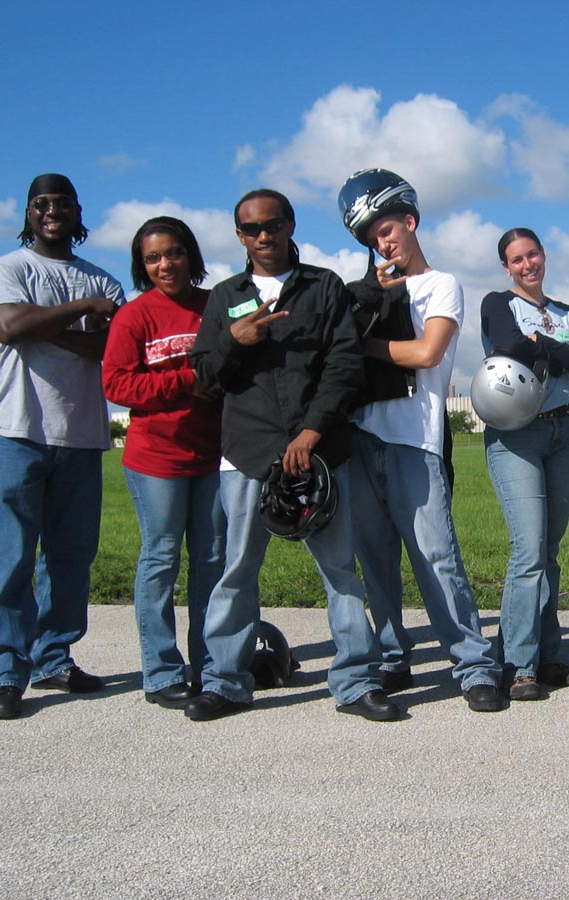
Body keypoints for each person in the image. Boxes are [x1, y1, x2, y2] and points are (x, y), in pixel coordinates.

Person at [189, 189, 394, 723]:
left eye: (273, 224)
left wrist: (310, 432)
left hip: (319, 453)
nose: (264, 235)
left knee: (340, 571)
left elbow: (344, 365)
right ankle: (226, 681)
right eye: (252, 228)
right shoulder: (224, 297)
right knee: (237, 569)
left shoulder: (323, 287)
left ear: (290, 225)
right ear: (239, 236)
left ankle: (356, 681)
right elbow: (205, 376)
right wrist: (235, 339)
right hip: (247, 453)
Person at [338, 168, 504, 712]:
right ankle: (392, 657)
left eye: (387, 230)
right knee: (374, 557)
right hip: (361, 435)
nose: (381, 244)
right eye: (372, 239)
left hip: (415, 437)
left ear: (410, 222)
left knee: (436, 556)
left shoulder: (441, 285)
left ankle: (474, 664)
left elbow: (428, 352)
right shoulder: (364, 295)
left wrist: (361, 345)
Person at [0, 173, 125, 720]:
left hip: (81, 435)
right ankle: (7, 671)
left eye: (63, 203)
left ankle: (53, 658)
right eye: (41, 203)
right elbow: (7, 326)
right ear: (28, 213)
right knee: (12, 558)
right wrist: (80, 308)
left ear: (78, 211)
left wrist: (38, 327)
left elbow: (110, 347)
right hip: (18, 429)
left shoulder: (106, 280)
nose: (52, 211)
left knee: (70, 559)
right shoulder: (8, 269)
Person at [102, 216, 225, 710]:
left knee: (212, 560)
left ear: (190, 255)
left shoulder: (216, 303)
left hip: (214, 455)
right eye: (152, 258)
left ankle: (213, 667)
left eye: (173, 253)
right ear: (142, 265)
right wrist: (187, 380)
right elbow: (117, 385)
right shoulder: (134, 317)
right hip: (156, 459)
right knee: (161, 558)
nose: (165, 265)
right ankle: (161, 671)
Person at [480, 228, 569, 700]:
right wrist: (560, 350)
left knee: (549, 551)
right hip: (517, 433)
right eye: (517, 259)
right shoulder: (498, 303)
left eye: (533, 255)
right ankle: (518, 664)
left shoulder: (566, 311)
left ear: (544, 256)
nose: (527, 265)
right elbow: (509, 344)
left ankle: (548, 654)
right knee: (528, 551)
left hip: (567, 432)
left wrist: (542, 344)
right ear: (506, 267)